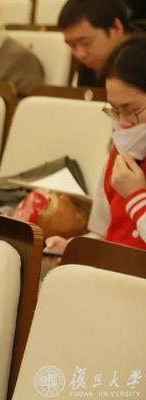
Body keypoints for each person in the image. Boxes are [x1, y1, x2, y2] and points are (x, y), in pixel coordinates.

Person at [46, 35, 146, 254]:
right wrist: (75, 248)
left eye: (133, 110)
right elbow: (103, 232)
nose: (123, 123)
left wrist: (137, 197)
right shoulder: (120, 151)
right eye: (115, 110)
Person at [58, 0, 133, 88]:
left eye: (85, 43)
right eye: (72, 45)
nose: (79, 54)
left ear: (116, 28)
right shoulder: (89, 66)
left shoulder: (141, 63)